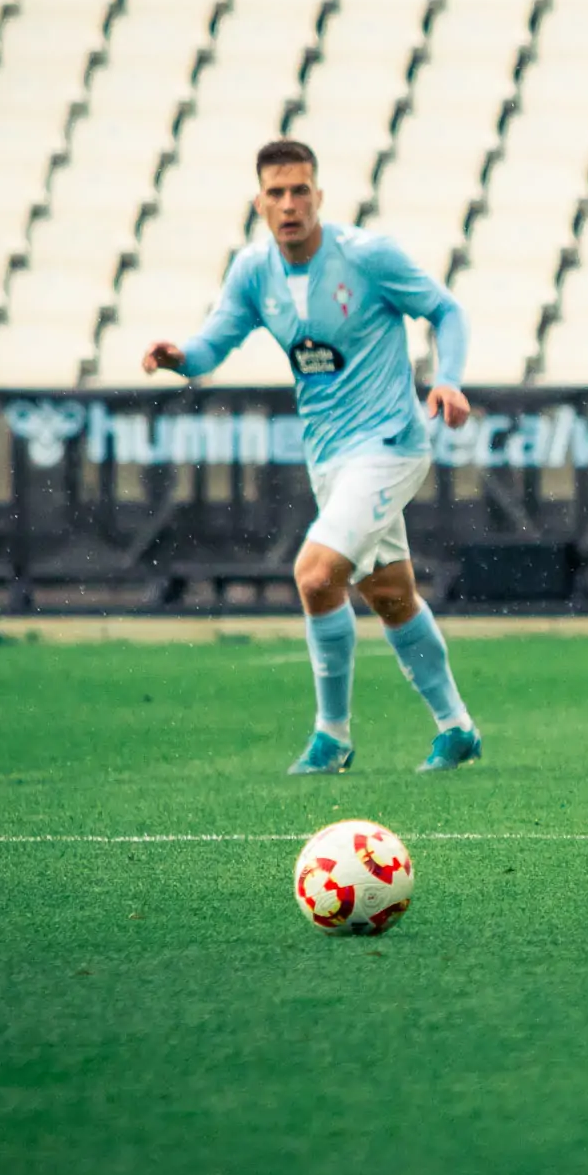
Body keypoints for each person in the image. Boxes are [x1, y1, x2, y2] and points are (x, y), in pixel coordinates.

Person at [142, 138, 484, 776]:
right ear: (259, 203)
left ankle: (332, 736)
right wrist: (180, 358)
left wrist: (449, 376)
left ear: (320, 196)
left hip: (391, 445)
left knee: (314, 573)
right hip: (329, 457)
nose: (289, 203)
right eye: (276, 193)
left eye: (300, 190)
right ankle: (457, 728)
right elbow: (216, 344)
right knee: (390, 595)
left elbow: (446, 309)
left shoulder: (367, 256)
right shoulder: (253, 272)